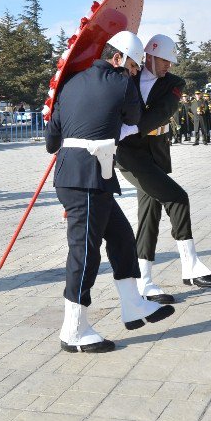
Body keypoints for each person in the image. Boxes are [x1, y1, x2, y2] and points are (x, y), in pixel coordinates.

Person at [47, 31, 174, 353]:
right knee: (85, 252)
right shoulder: (121, 83)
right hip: (87, 178)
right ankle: (73, 329)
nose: (135, 73)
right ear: (118, 58)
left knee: (120, 236)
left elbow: (51, 141)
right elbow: (135, 117)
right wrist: (125, 89)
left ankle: (133, 304)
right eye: (133, 66)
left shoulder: (70, 83)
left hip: (80, 175)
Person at [116, 33, 211, 306]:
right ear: (149, 55)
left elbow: (162, 112)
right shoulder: (127, 74)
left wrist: (131, 128)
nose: (169, 66)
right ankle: (189, 265)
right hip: (128, 154)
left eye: (171, 62)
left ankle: (144, 280)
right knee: (176, 197)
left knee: (150, 213)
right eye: (165, 60)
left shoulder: (175, 84)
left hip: (154, 151)